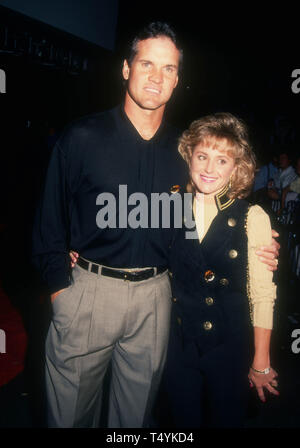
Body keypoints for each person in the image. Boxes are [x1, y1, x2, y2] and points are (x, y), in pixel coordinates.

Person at [32, 22, 279, 428]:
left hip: (158, 299)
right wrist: (62, 290)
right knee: (69, 417)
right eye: (146, 63)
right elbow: (47, 223)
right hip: (89, 295)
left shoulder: (185, 151)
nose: (156, 76)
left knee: (134, 420)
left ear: (177, 79)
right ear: (126, 69)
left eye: (168, 68)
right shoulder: (81, 137)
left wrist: (260, 240)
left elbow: (216, 208)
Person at [163, 113, 279, 428]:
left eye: (222, 160)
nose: (209, 168)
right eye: (202, 156)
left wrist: (261, 360)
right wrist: (78, 253)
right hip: (178, 343)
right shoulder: (167, 208)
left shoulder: (252, 216)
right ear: (189, 157)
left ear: (236, 168)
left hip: (229, 344)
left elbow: (262, 294)